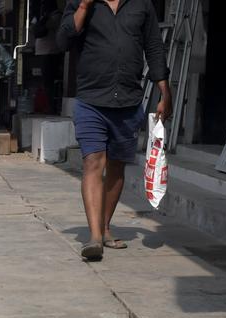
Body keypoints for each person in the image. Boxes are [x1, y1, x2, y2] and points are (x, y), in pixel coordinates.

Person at [59, 0, 170, 261]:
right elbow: (63, 40)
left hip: (128, 101)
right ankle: (95, 236)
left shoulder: (142, 4)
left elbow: (154, 46)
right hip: (90, 99)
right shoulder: (81, 3)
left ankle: (105, 227)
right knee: (93, 162)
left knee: (117, 165)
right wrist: (84, 7)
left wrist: (165, 90)